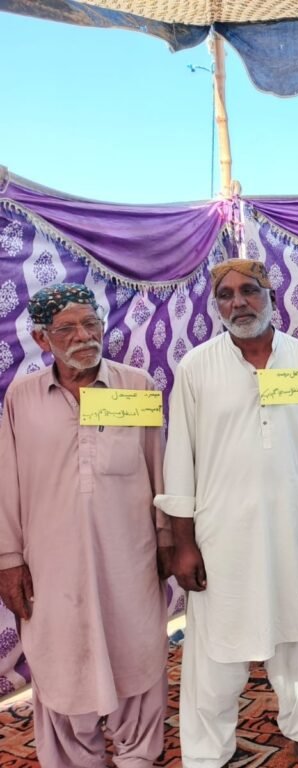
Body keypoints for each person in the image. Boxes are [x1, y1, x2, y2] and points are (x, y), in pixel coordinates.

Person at [155, 259, 298, 768]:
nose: (238, 302)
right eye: (225, 295)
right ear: (215, 306)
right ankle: (205, 752)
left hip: (294, 530)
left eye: (249, 291)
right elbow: (181, 459)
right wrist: (184, 543)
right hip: (223, 537)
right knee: (215, 650)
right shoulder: (196, 367)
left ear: (271, 294)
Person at [0, 283, 172, 767]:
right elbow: (7, 482)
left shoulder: (136, 385)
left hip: (129, 555)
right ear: (41, 339)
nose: (83, 336)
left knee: (136, 646)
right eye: (67, 328)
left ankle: (138, 751)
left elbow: (158, 465)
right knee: (61, 651)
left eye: (91, 324)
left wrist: (165, 536)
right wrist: (8, 561)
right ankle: (76, 757)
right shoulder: (23, 396)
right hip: (52, 563)